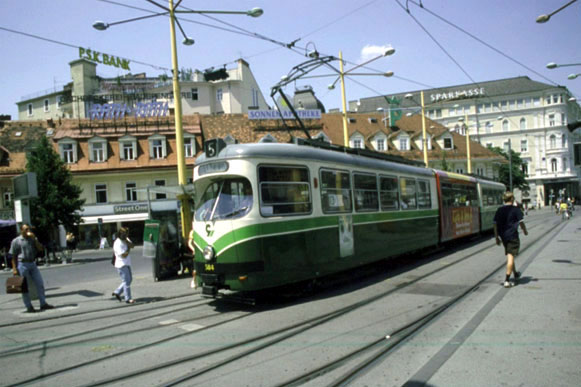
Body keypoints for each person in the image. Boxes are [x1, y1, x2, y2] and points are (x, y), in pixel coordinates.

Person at [8, 224, 55, 313]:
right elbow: (13, 256)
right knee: (24, 286)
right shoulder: (16, 241)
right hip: (22, 264)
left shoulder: (32, 239)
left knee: (39, 283)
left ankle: (43, 303)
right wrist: (14, 268)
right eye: (25, 229)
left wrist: (35, 239)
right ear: (21, 230)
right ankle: (29, 306)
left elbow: (40, 249)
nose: (28, 231)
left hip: (32, 263)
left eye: (28, 229)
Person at [493, 192, 528, 288]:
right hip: (512, 236)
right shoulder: (516, 209)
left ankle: (515, 273)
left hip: (503, 236)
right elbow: (521, 222)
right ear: (512, 199)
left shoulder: (499, 210)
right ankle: (507, 280)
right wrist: (524, 231)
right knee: (510, 256)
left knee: (510, 254)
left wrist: (496, 237)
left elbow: (495, 224)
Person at [112, 227, 135, 304]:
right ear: (120, 234)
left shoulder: (125, 239)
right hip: (121, 264)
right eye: (124, 234)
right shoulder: (117, 243)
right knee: (126, 281)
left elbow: (132, 245)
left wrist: (127, 242)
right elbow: (124, 255)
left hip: (127, 263)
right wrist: (128, 248)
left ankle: (117, 292)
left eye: (127, 234)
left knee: (130, 279)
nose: (126, 236)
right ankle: (128, 298)